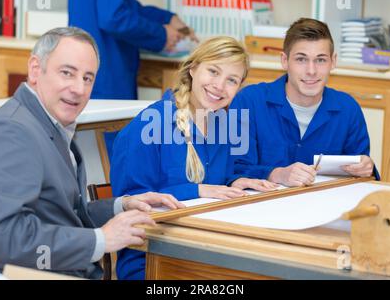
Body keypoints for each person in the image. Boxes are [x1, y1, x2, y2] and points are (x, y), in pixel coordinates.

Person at [0, 27, 184, 279]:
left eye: (87, 78)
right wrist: (101, 240)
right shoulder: (8, 132)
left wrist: (120, 207)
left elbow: (61, 217)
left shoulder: (47, 123)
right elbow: (3, 238)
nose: (79, 89)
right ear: (35, 69)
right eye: (67, 73)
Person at [110, 36, 278, 280]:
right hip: (153, 259)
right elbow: (134, 204)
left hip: (207, 249)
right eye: (213, 71)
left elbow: (218, 179)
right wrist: (197, 190)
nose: (220, 86)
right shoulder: (148, 126)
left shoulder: (223, 125)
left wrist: (234, 182)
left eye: (231, 80)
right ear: (193, 68)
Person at [229, 18, 379, 188]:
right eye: (301, 59)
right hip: (260, 208)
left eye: (321, 60)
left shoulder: (349, 109)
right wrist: (277, 173)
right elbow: (232, 169)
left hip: (324, 208)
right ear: (284, 61)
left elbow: (360, 180)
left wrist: (367, 167)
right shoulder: (247, 101)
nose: (311, 71)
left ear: (333, 61)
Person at [68, 0, 197, 159]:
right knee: (109, 150)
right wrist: (160, 34)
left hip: (95, 68)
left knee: (93, 151)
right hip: (107, 72)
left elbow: (124, 6)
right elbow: (114, 17)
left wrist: (166, 19)